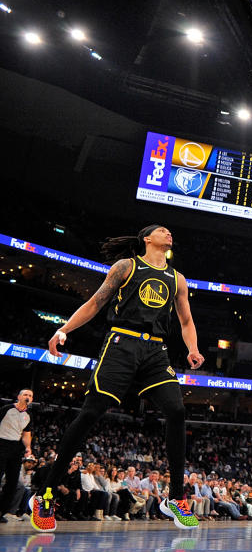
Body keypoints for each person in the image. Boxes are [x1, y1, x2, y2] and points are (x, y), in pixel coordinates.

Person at [32, 225, 203, 531]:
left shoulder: (177, 278)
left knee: (177, 411)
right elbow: (95, 303)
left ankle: (175, 497)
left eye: (169, 231)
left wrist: (193, 348)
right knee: (90, 414)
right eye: (161, 230)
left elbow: (186, 320)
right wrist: (63, 329)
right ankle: (45, 493)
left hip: (155, 351)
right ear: (147, 238)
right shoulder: (126, 266)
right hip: (121, 344)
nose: (169, 233)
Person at [0, 389, 34, 523]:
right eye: (25, 394)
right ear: (19, 396)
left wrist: (28, 448)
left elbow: (26, 434)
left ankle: (3, 511)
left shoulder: (28, 415)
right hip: (1, 442)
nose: (28, 397)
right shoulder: (6, 409)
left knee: (13, 482)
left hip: (15, 447)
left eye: (30, 396)